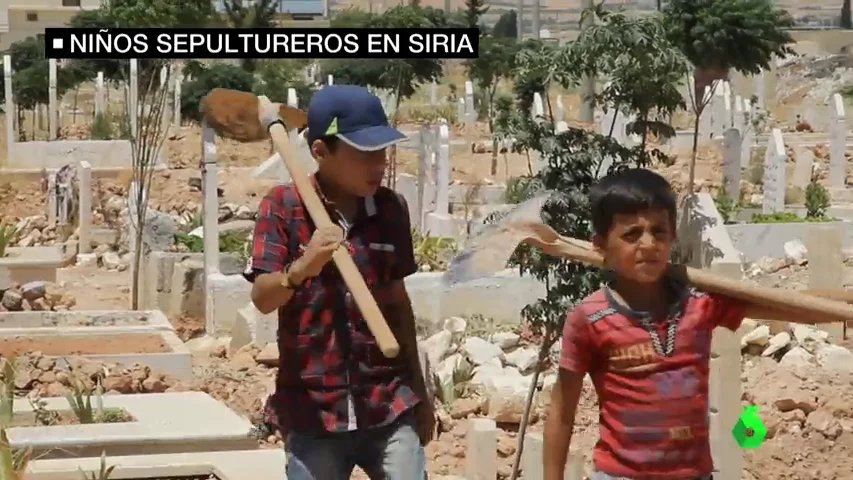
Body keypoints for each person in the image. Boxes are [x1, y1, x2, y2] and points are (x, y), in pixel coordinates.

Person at [542, 168, 826, 480]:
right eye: (631, 234)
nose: (648, 243)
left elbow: (793, 305)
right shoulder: (589, 318)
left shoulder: (700, 303)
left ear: (673, 236)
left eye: (658, 231)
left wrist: (844, 305)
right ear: (600, 245)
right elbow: (562, 411)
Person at [245, 85, 434, 480]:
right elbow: (263, 298)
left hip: (388, 404)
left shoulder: (390, 209)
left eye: (382, 151)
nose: (378, 164)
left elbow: (398, 304)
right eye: (364, 154)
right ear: (320, 152)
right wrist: (303, 266)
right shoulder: (283, 205)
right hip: (315, 411)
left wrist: (421, 393)